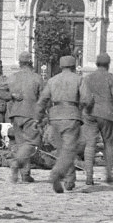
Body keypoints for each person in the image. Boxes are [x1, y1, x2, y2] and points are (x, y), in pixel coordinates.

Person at [38, 55, 83, 193]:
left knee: (62, 150)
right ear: (74, 66)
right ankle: (57, 173)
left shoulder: (52, 80)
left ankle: (70, 179)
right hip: (71, 116)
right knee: (69, 149)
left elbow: (42, 100)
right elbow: (87, 99)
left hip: (55, 117)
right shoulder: (79, 79)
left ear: (61, 66)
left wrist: (38, 117)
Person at [80, 52, 113, 185]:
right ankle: (109, 175)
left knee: (90, 144)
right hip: (107, 114)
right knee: (108, 144)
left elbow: (84, 97)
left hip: (90, 113)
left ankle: (89, 176)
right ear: (108, 64)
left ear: (96, 64)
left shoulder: (88, 78)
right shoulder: (111, 78)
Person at [6, 51, 43, 184]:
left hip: (16, 114)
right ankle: (18, 164)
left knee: (21, 144)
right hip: (30, 114)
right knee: (31, 143)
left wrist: (13, 96)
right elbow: (43, 99)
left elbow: (1, 93)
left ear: (20, 63)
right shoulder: (37, 78)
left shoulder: (12, 78)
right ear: (31, 63)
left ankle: (25, 175)